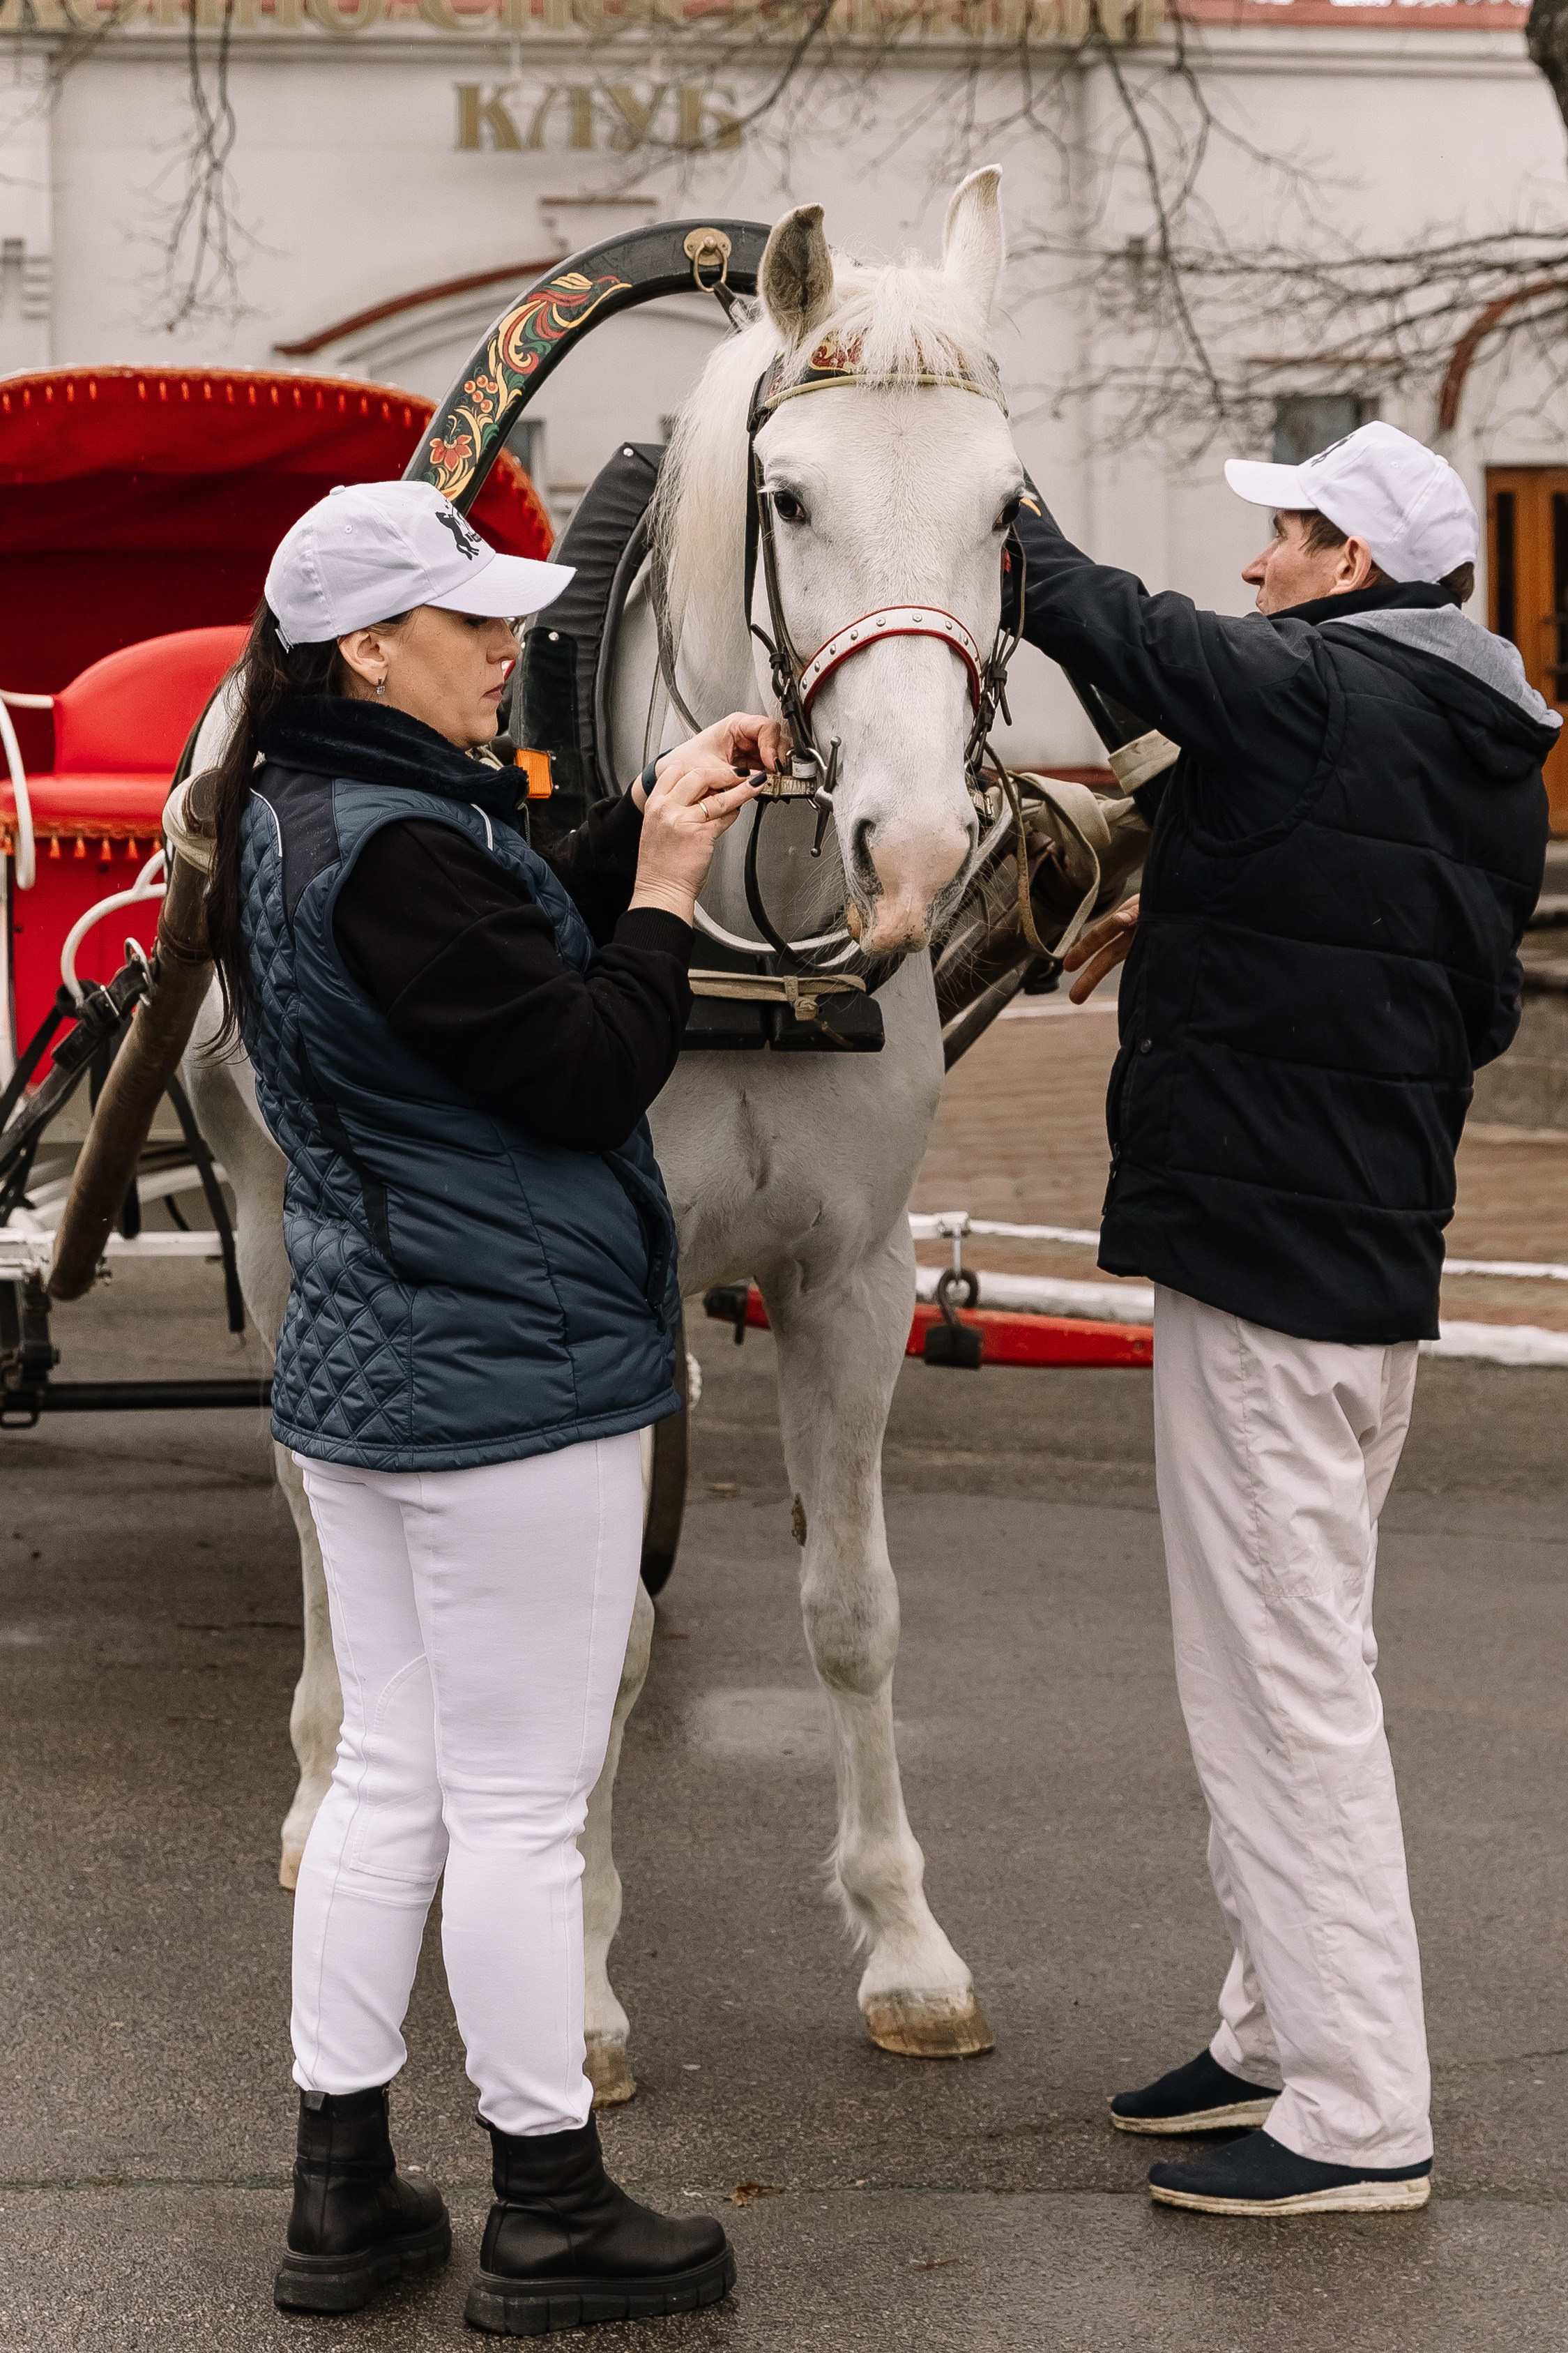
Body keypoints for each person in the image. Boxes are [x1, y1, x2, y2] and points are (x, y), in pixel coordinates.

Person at [202, 479, 780, 2331]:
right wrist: (674, 899)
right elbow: (576, 1060)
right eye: (471, 624)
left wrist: (635, 822)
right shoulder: (410, 840)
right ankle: (551, 2203)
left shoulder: (305, 812)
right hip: (511, 1375)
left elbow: (472, 961)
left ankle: (345, 2188)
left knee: (388, 1774)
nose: (505, 645)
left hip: (375, 1363)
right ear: (368, 645)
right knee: (525, 1807)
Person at [1014, 422, 1553, 2216]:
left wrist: (988, 490)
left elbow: (1117, 624)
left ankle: (1355, 2112)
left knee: (1283, 1690)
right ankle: (1268, 2030)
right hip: (1361, 1269)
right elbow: (1452, 1004)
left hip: (1268, 1273)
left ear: (1351, 569)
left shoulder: (1320, 691)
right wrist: (1202, 916)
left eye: (1284, 538)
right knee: (1289, 1664)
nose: (1255, 566)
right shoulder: (1476, 744)